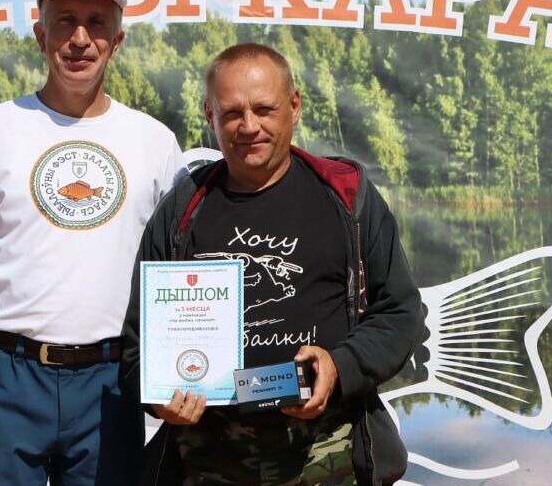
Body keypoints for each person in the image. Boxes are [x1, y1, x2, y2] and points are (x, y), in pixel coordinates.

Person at [0, 0, 186, 486]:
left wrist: (180, 376)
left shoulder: (156, 142)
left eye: (96, 23)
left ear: (117, 40)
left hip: (112, 384)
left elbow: (178, 277)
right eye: (65, 21)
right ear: (41, 34)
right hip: (7, 378)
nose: (80, 38)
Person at [121, 43, 422, 485]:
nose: (249, 127)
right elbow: (136, 349)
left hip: (329, 457)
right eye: (231, 113)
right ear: (209, 114)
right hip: (208, 464)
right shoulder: (181, 210)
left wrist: (340, 366)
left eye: (264, 109)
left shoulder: (347, 196)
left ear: (294, 106)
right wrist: (158, 398)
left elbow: (399, 313)